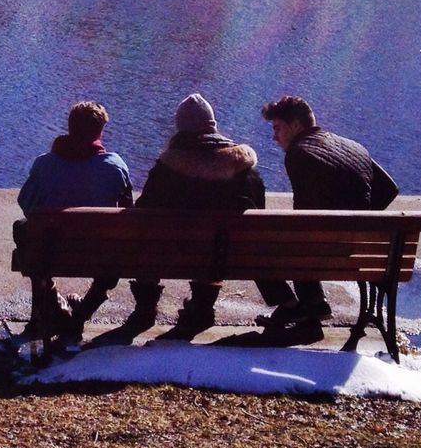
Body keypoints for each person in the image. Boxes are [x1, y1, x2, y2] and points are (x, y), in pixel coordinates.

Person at [111, 93, 293, 341]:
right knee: (219, 239)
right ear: (213, 126)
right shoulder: (245, 170)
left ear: (181, 130)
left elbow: (143, 214)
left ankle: (145, 309)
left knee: (147, 235)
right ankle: (202, 308)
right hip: (229, 257)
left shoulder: (167, 168)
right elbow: (256, 214)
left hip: (170, 254)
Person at [258, 94, 400, 328]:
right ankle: (313, 303)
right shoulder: (354, 147)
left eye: (278, 128)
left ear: (295, 125)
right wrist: (362, 220)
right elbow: (389, 189)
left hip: (327, 253)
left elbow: (302, 215)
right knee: (307, 233)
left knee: (261, 240)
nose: (274, 137)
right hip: (363, 252)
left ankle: (296, 305)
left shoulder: (298, 153)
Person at [18, 100, 133, 340]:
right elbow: (128, 212)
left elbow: (27, 205)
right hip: (100, 251)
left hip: (51, 250)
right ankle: (80, 316)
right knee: (119, 242)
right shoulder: (115, 166)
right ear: (100, 131)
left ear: (69, 127)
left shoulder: (45, 164)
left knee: (24, 230)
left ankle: (51, 302)